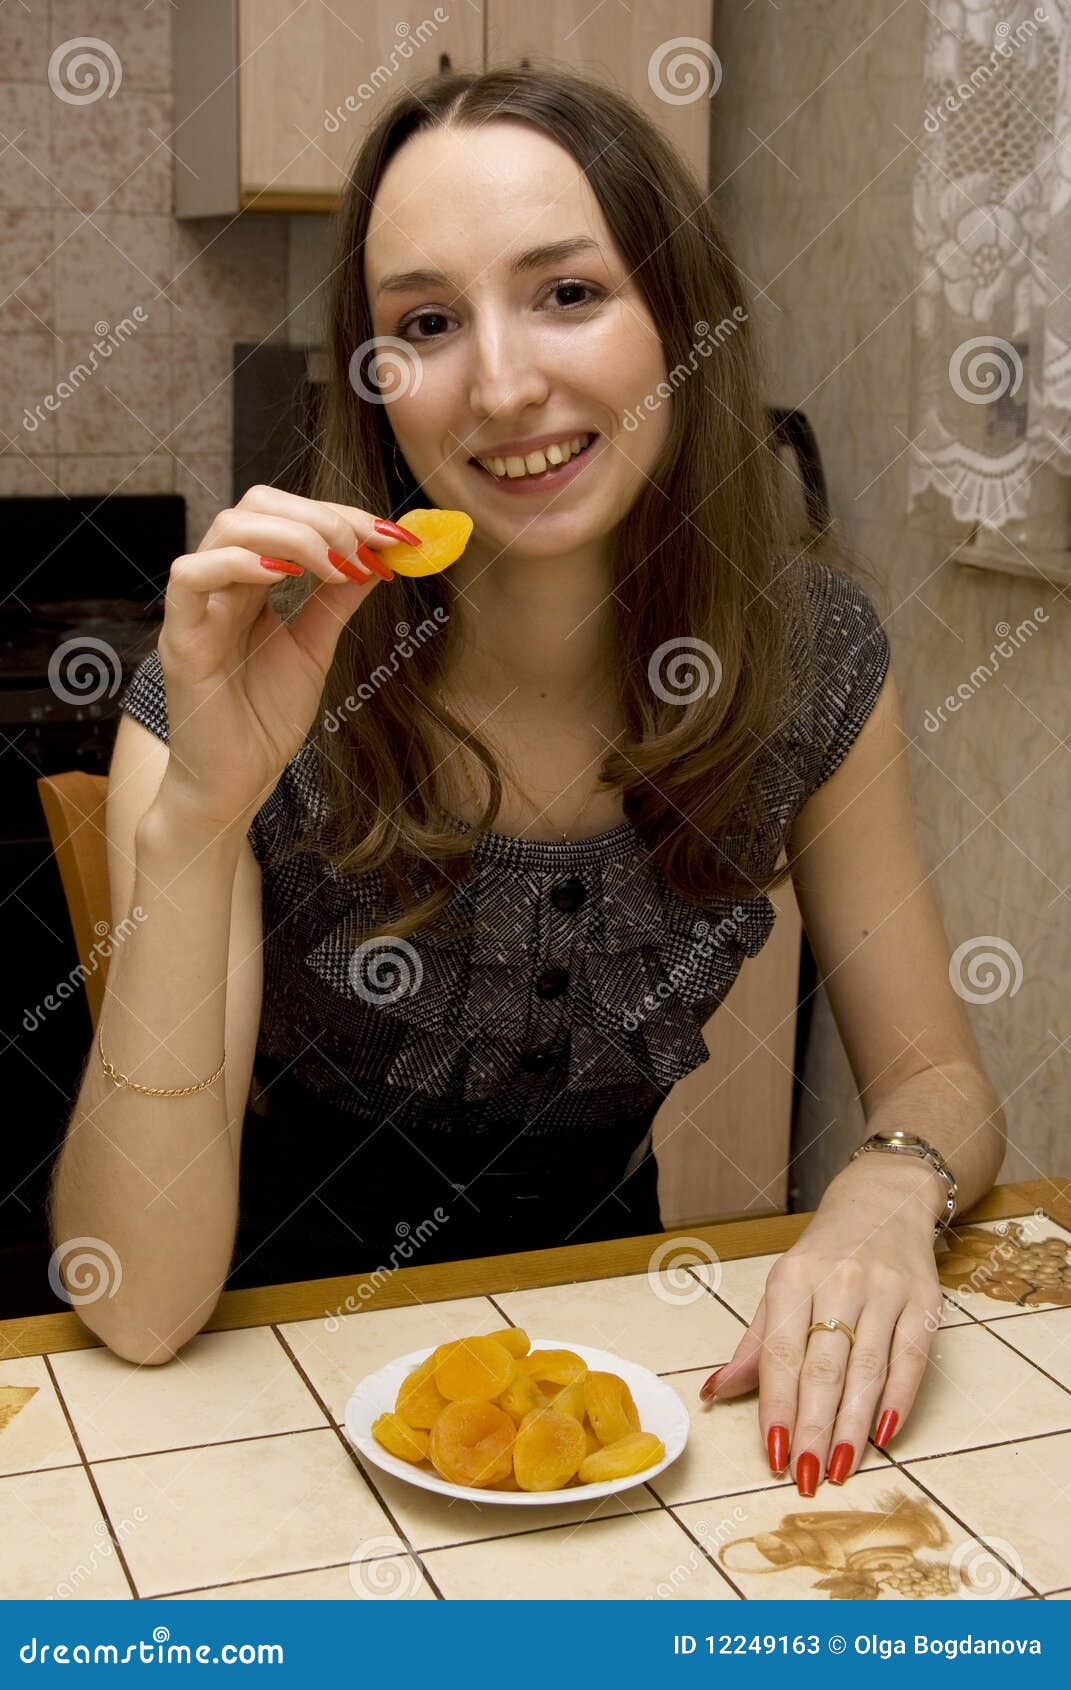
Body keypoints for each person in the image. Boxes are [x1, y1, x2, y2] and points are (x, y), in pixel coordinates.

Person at [49, 66, 1005, 1500]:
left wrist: (888, 1182)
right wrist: (199, 814)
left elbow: (935, 1074)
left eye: (567, 293)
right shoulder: (241, 694)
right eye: (426, 323)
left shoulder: (809, 663)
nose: (500, 384)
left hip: (630, 1370)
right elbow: (133, 1298)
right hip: (272, 1373)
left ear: (681, 323)